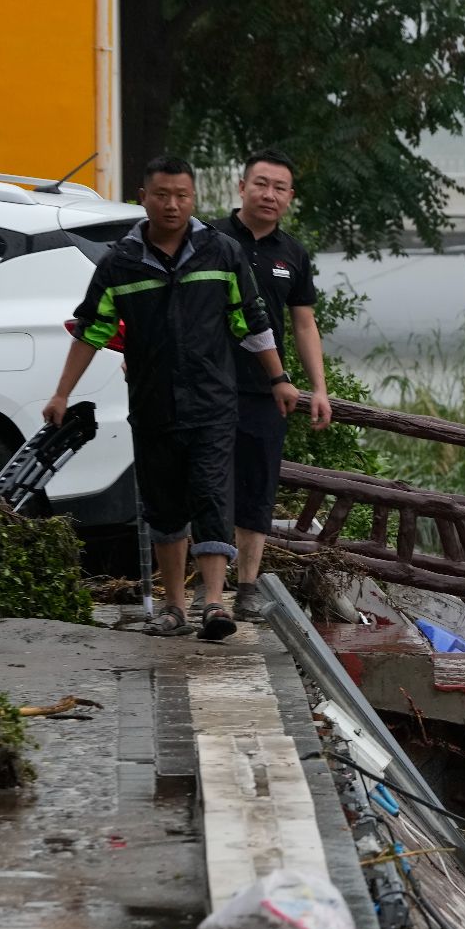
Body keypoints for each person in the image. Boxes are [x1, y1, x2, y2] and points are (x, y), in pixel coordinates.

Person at [46, 155, 290, 640]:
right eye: (162, 195)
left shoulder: (220, 253)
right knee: (164, 505)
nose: (172, 205)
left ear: (193, 199)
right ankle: (174, 607)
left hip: (212, 403)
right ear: (144, 198)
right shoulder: (121, 262)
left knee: (212, 496)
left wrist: (279, 378)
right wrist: (61, 393)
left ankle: (215, 604)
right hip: (153, 405)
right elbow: (92, 330)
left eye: (182, 196)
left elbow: (252, 321)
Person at [217, 148, 331, 620]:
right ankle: (203, 590)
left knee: (257, 488)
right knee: (203, 484)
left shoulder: (293, 254)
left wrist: (318, 388)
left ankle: (245, 587)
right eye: (261, 184)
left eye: (279, 188)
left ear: (290, 197)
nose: (269, 194)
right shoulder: (210, 238)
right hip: (208, 384)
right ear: (242, 187)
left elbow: (303, 324)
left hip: (266, 390)